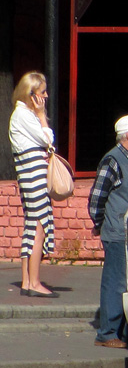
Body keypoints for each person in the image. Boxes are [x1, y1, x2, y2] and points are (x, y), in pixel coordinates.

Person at [88, 115, 128, 348]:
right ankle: (107, 333)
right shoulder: (112, 160)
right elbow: (96, 200)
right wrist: (102, 223)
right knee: (116, 283)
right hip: (116, 232)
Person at [8, 72, 58, 298]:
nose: (46, 96)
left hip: (29, 175)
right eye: (42, 92)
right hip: (33, 175)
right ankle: (35, 282)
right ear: (32, 95)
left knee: (31, 226)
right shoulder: (24, 115)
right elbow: (48, 140)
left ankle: (28, 281)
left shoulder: (22, 114)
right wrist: (41, 115)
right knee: (38, 226)